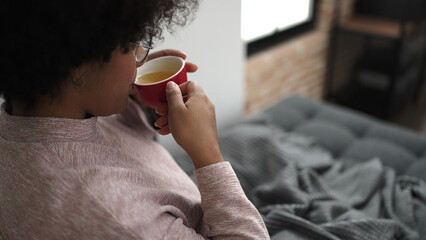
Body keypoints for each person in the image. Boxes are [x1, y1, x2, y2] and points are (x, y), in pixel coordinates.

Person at [0, 0, 269, 239]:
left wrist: (126, 93)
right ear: (77, 63)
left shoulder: (30, 114)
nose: (140, 56)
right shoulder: (119, 218)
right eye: (130, 45)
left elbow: (117, 153)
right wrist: (208, 155)